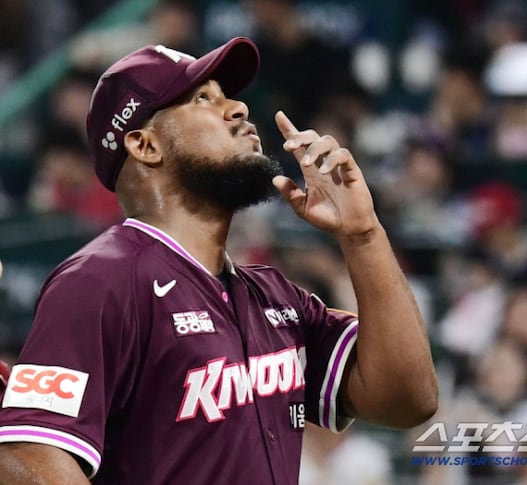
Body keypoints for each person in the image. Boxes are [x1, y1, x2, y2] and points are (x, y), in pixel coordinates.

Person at [0, 38, 438, 484]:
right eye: (202, 99)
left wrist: (364, 235)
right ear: (145, 145)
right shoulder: (99, 281)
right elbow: (31, 461)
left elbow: (407, 399)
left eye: (227, 96)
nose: (238, 109)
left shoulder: (275, 295)